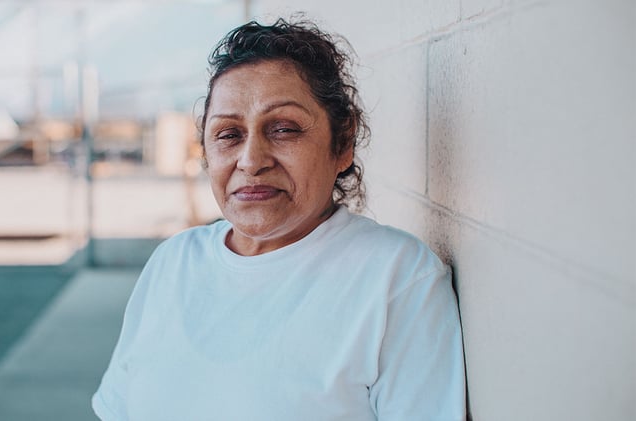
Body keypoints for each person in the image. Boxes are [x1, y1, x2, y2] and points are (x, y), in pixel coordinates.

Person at [92, 17, 466, 420]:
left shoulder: (396, 279)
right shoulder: (172, 263)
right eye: (228, 134)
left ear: (342, 144)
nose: (251, 161)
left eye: (284, 129)